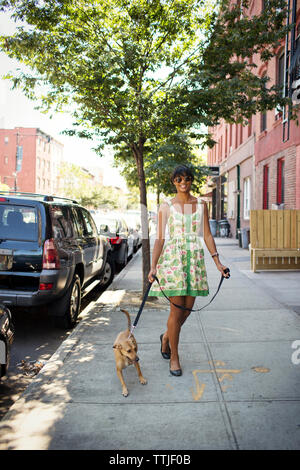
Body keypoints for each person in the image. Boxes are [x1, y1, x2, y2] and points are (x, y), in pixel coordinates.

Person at [147, 165, 229, 376]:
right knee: (176, 311)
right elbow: (160, 239)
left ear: (191, 181)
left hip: (194, 262)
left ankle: (166, 337)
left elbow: (208, 236)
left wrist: (218, 263)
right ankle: (174, 357)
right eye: (178, 179)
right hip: (173, 262)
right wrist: (153, 266)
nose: (183, 182)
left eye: (187, 179)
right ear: (173, 181)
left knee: (187, 311)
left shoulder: (201, 204)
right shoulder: (165, 207)